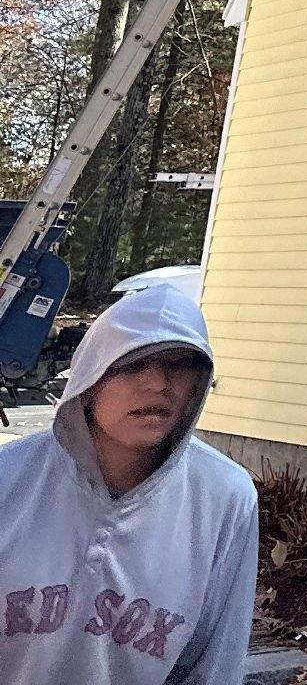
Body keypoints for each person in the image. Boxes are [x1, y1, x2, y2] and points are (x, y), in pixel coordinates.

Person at [0, 281, 258, 685]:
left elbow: (217, 660)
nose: (158, 384)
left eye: (178, 364)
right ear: (92, 377)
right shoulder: (9, 478)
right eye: (134, 364)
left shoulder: (224, 498)